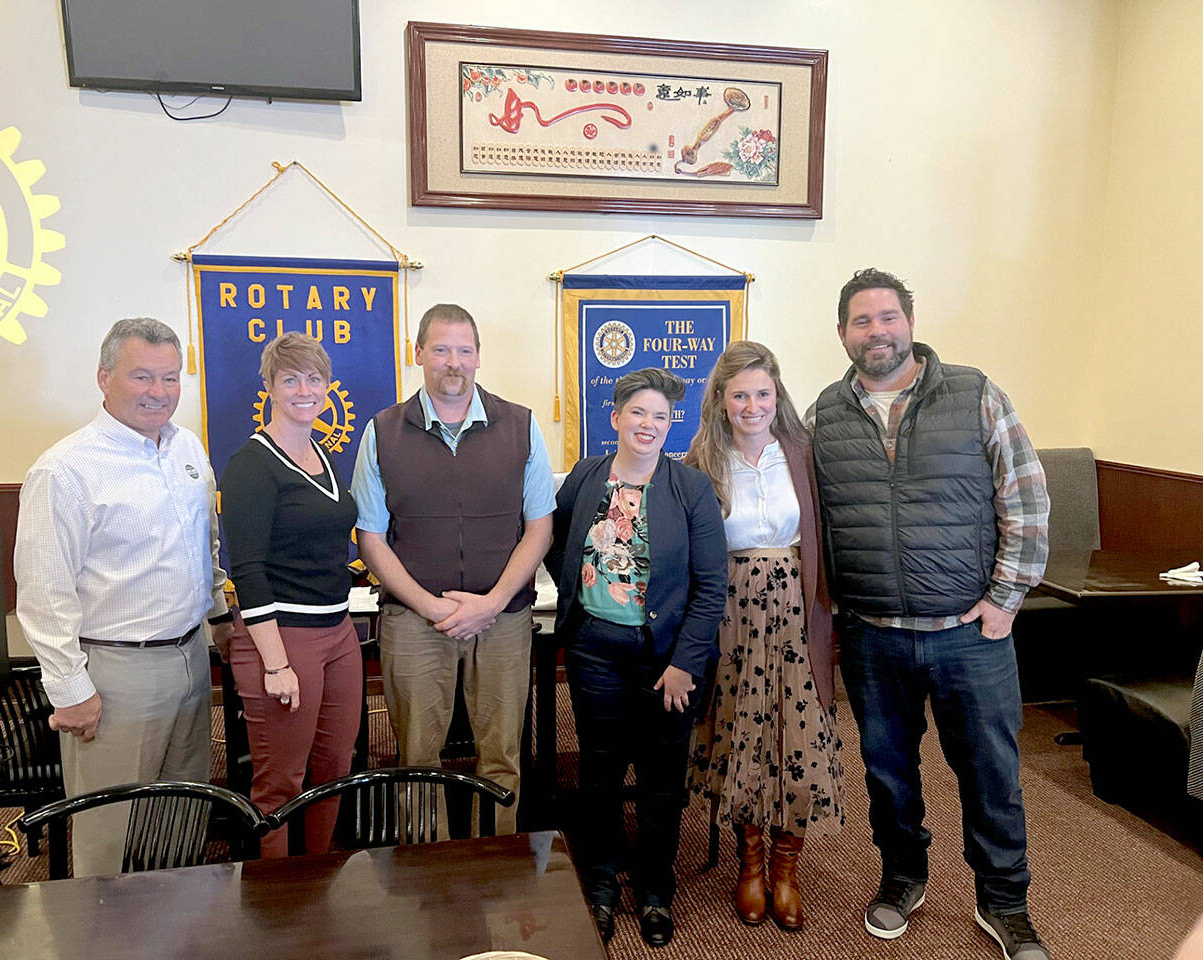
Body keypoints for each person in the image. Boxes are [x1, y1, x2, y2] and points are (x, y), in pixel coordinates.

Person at [809, 268, 1052, 960]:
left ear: (909, 323)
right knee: (887, 774)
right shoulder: (824, 414)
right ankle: (902, 877)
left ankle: (1005, 902)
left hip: (969, 636)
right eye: (861, 321)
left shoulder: (975, 394)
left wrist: (1006, 598)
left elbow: (1026, 499)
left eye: (887, 317)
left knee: (991, 774)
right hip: (873, 637)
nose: (876, 331)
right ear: (842, 333)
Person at [14, 317, 232, 877]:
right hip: (115, 671)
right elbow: (43, 591)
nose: (159, 393)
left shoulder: (186, 446)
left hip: (189, 655)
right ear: (104, 378)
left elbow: (203, 545)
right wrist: (69, 689)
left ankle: (178, 928)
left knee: (184, 812)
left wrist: (219, 617)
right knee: (108, 830)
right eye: (142, 377)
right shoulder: (65, 470)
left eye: (170, 378)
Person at [350, 303, 554, 836]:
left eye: (464, 350)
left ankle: (498, 862)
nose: (453, 362)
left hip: (503, 619)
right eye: (440, 349)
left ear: (479, 357)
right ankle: (426, 878)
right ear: (417, 354)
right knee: (418, 757)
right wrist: (429, 605)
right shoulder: (382, 432)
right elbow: (370, 537)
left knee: (502, 755)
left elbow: (539, 529)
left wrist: (489, 604)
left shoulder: (522, 427)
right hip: (415, 622)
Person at [546, 367, 727, 948]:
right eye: (639, 413)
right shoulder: (585, 477)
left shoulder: (691, 488)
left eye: (661, 416)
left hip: (667, 661)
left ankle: (654, 891)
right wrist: (584, 603)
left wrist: (685, 664)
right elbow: (556, 543)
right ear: (616, 417)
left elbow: (710, 587)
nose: (649, 425)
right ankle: (599, 887)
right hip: (595, 651)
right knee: (598, 774)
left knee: (660, 781)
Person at [684, 340, 843, 931]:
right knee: (741, 738)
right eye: (740, 395)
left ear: (778, 396)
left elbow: (826, 533)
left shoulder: (802, 453)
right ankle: (749, 866)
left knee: (796, 740)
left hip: (798, 612)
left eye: (763, 393)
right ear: (721, 402)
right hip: (730, 614)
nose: (753, 405)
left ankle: (785, 869)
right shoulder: (701, 459)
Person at [218, 333, 362, 858]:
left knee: (332, 772)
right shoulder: (252, 464)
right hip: (283, 640)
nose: (305, 389)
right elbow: (248, 570)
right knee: (281, 784)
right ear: (269, 387)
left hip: (339, 634)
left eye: (315, 379)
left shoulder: (320, 452)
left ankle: (317, 883)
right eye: (290, 379)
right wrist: (276, 664)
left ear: (327, 387)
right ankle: (277, 908)